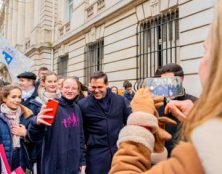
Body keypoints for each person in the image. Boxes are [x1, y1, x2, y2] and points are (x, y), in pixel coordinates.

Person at [109, 0, 222, 173]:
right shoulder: (164, 105)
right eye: (161, 81)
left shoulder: (196, 107)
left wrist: (140, 122)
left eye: (206, 51)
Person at [28, 77, 86, 174]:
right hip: (54, 165)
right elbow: (34, 136)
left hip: (74, 165)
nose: (70, 91)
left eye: (74, 88)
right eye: (67, 87)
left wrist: (82, 161)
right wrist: (36, 123)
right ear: (61, 89)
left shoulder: (77, 108)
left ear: (78, 91)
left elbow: (80, 137)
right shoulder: (52, 106)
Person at [78, 71, 131, 174]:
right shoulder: (83, 105)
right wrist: (82, 160)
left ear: (107, 85)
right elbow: (81, 136)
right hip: (95, 157)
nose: (96, 90)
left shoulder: (120, 101)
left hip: (118, 154)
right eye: (93, 87)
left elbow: (130, 124)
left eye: (100, 87)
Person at [155, 63, 198, 155]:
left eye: (170, 80)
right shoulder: (157, 105)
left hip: (185, 159)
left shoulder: (195, 103)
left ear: (181, 79)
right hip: (161, 160)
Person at [0, 85, 33, 171]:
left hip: (21, 155)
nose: (17, 100)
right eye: (13, 97)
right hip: (4, 158)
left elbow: (36, 137)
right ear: (4, 98)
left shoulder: (27, 114)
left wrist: (25, 134)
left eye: (19, 97)